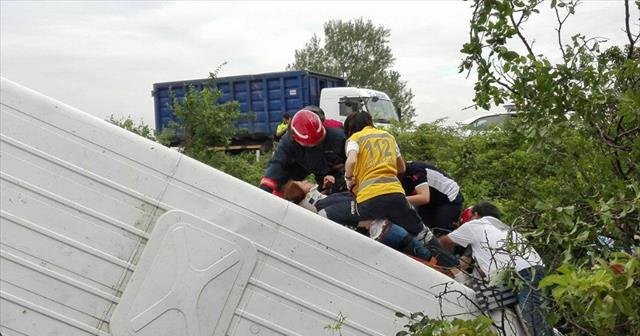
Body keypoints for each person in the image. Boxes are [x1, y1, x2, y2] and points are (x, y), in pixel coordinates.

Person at [343, 111, 457, 268]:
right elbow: (401, 167)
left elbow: (350, 162)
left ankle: (377, 228)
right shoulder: (388, 136)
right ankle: (454, 270)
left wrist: (349, 180)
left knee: (347, 218)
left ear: (350, 129)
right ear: (370, 122)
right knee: (424, 235)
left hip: (368, 200)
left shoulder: (354, 139)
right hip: (396, 196)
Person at [438, 201, 553, 336]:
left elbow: (444, 243)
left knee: (533, 318)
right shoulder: (502, 228)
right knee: (535, 315)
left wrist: (432, 242)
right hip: (529, 270)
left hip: (522, 272)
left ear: (476, 214)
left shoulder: (475, 225)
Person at [281, 180, 453, 268]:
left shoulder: (323, 207)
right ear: (304, 192)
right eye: (302, 183)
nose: (306, 181)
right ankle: (454, 274)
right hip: (387, 229)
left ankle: (452, 273)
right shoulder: (325, 208)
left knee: (423, 259)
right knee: (428, 257)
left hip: (381, 234)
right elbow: (356, 208)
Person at [259, 109, 346, 197]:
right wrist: (266, 187)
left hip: (332, 168)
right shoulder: (288, 142)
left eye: (319, 142)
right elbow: (277, 164)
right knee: (281, 180)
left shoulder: (339, 137)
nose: (315, 146)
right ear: (295, 138)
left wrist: (338, 182)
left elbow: (353, 166)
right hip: (304, 165)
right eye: (312, 145)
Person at [401, 161, 464, 236]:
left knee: (440, 232)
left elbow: (424, 198)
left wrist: (396, 199)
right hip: (431, 199)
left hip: (449, 198)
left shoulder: (414, 170)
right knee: (422, 230)